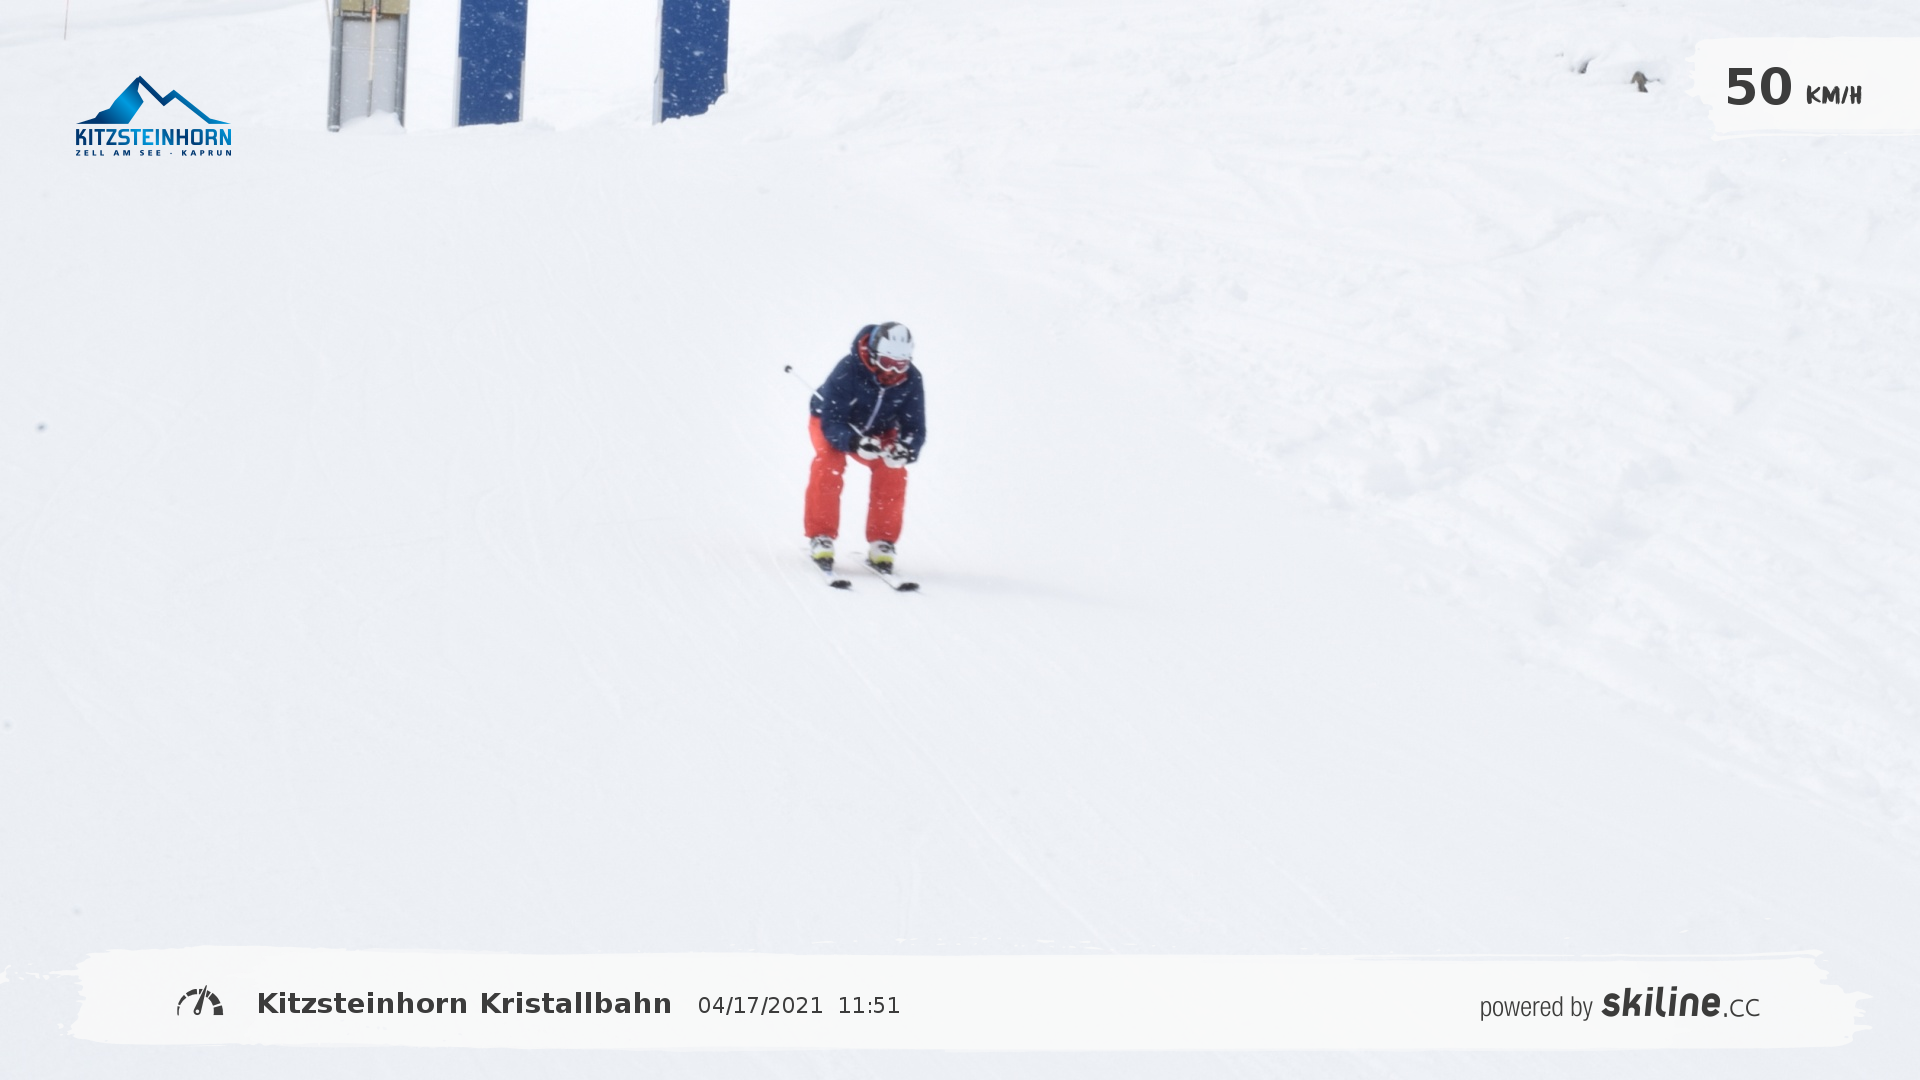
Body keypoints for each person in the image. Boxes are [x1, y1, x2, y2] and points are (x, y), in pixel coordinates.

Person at [805, 322, 926, 575]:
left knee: (893, 469)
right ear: (872, 354)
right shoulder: (848, 370)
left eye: (900, 364)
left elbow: (914, 427)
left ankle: (883, 541)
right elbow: (832, 421)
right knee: (829, 464)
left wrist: (906, 449)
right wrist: (853, 442)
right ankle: (821, 536)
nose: (892, 371)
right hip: (833, 425)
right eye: (887, 362)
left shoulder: (911, 380)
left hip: (879, 432)